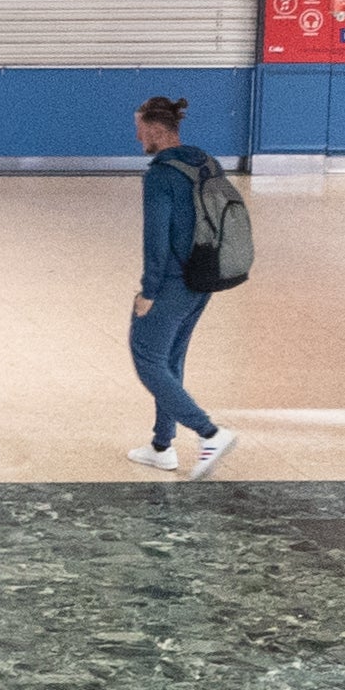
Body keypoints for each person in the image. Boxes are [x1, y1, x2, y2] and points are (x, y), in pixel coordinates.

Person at [127, 95, 235, 478]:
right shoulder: (207, 162)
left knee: (148, 359)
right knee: (171, 360)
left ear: (156, 130)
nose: (137, 136)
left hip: (171, 283)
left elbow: (155, 240)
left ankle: (209, 433)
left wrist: (148, 292)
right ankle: (161, 446)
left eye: (140, 129)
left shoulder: (160, 175)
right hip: (203, 279)